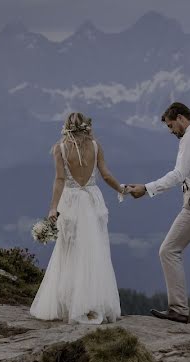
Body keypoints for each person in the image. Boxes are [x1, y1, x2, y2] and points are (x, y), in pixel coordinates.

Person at [125, 102, 190, 326]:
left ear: (180, 118)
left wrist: (146, 188)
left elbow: (179, 174)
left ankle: (178, 309)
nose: (171, 132)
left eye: (171, 126)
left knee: (168, 250)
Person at [30, 112, 124, 324]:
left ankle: (72, 303)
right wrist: (121, 189)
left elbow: (60, 179)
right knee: (94, 250)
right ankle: (94, 302)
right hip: (91, 202)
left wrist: (53, 208)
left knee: (70, 250)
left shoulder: (60, 148)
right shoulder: (96, 147)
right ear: (87, 128)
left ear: (66, 128)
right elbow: (106, 174)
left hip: (71, 202)